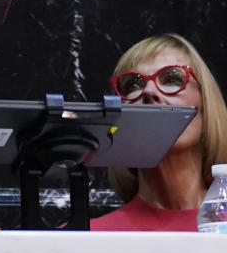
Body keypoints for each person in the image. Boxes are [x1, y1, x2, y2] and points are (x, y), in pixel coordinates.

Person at [90, 33, 227, 231]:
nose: (149, 91)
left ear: (206, 105)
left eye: (172, 79)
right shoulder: (84, 239)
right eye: (132, 86)